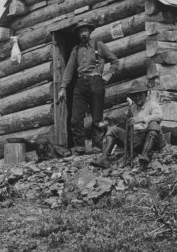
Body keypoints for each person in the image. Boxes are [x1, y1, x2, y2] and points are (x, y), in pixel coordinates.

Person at [58, 21, 119, 155]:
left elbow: (115, 61)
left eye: (86, 31)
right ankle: (79, 147)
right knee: (75, 119)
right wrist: (63, 87)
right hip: (80, 83)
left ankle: (97, 147)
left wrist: (107, 76)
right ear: (79, 34)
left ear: (90, 32)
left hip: (96, 81)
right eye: (81, 32)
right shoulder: (75, 50)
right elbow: (69, 70)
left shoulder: (99, 45)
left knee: (97, 118)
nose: (83, 34)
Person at [91, 86, 164, 168]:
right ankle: (104, 158)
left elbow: (159, 116)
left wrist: (139, 120)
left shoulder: (152, 104)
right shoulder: (132, 108)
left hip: (152, 140)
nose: (137, 98)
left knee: (153, 123)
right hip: (137, 139)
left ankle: (145, 155)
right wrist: (107, 121)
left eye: (140, 95)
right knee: (113, 130)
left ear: (145, 94)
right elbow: (123, 121)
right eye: (134, 96)